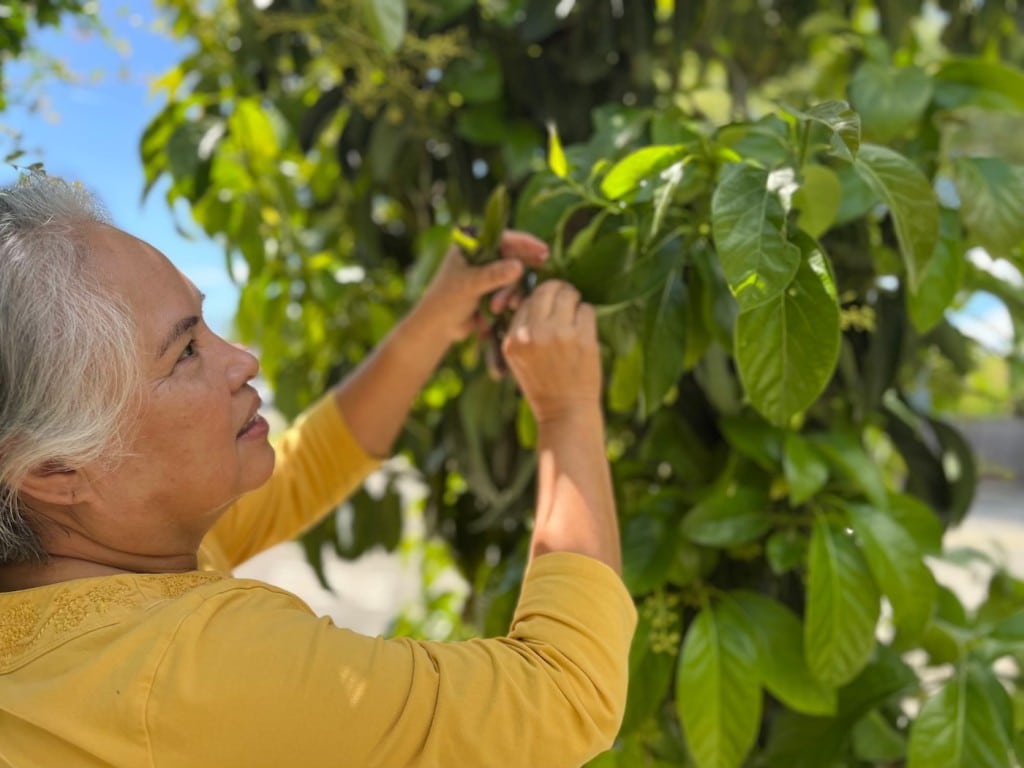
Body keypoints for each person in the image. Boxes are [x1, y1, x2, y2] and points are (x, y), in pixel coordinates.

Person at [0, 174, 636, 767]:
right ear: (55, 466)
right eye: (185, 351)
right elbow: (564, 693)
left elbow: (305, 469)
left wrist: (435, 317)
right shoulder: (196, 671)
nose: (242, 360)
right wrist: (567, 406)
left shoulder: (93, 571)